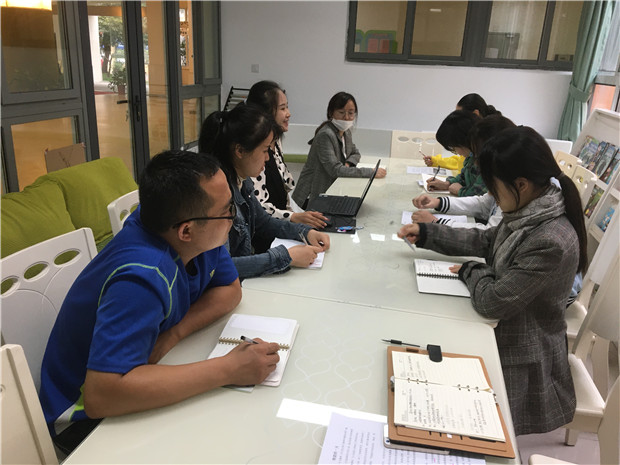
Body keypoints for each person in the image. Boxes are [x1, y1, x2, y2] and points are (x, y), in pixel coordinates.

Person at [39, 150, 281, 454]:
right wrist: (228, 369)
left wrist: (174, 333)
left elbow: (230, 290)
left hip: (137, 374)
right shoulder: (141, 278)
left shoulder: (192, 227)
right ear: (186, 231)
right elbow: (102, 395)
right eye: (227, 211)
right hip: (82, 422)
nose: (233, 217)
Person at [399, 126, 587, 435]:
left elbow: (493, 301)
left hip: (519, 357)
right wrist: (428, 234)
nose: (492, 197)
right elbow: (487, 240)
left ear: (521, 184)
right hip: (499, 330)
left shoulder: (550, 238)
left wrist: (470, 270)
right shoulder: (531, 211)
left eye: (494, 188)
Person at [199, 104, 330, 280]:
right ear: (240, 151)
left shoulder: (242, 181)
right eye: (264, 150)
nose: (268, 158)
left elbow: (263, 222)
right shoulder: (219, 197)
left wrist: (305, 232)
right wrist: (287, 256)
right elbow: (223, 267)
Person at [246, 81, 328, 253]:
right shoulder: (252, 153)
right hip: (267, 239)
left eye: (287, 107)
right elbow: (260, 209)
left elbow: (284, 192)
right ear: (265, 113)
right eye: (282, 108)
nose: (288, 113)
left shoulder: (275, 142)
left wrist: (301, 220)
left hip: (281, 227)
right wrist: (294, 217)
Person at [413, 115, 516, 228]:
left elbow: (488, 234)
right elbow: (483, 204)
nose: (476, 163)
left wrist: (437, 223)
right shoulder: (505, 181)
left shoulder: (511, 193)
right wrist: (438, 203)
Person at [292, 91, 387, 207]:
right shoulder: (326, 135)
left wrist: (347, 164)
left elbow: (355, 153)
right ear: (331, 113)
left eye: (350, 113)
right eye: (341, 112)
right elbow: (335, 170)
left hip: (331, 192)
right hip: (311, 197)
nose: (346, 117)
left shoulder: (346, 132)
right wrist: (370, 172)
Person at [421, 93, 501, 170]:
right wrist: (436, 161)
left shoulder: (490, 144)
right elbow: (461, 161)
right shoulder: (473, 145)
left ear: (475, 114)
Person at [425, 110, 487, 197]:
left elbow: (481, 195)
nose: (457, 153)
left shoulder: (487, 161)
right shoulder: (471, 156)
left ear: (464, 142)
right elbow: (463, 177)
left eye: (455, 148)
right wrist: (447, 184)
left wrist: (461, 192)